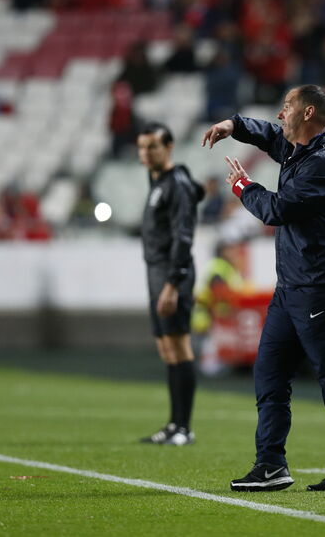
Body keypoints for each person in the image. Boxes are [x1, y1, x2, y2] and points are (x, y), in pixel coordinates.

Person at [202, 84, 325, 492]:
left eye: (287, 106)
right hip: (294, 287)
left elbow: (279, 210)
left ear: (308, 112)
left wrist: (244, 188)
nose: (280, 113)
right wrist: (233, 125)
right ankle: (271, 464)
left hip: (322, 289)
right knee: (270, 374)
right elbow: (271, 135)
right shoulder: (303, 149)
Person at [138, 121, 205, 446]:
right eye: (142, 146)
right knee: (167, 347)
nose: (145, 153)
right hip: (156, 271)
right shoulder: (158, 182)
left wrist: (172, 284)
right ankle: (174, 423)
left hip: (171, 273)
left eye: (152, 146)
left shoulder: (176, 183)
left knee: (179, 344)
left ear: (169, 147)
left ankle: (184, 427)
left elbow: (183, 235)